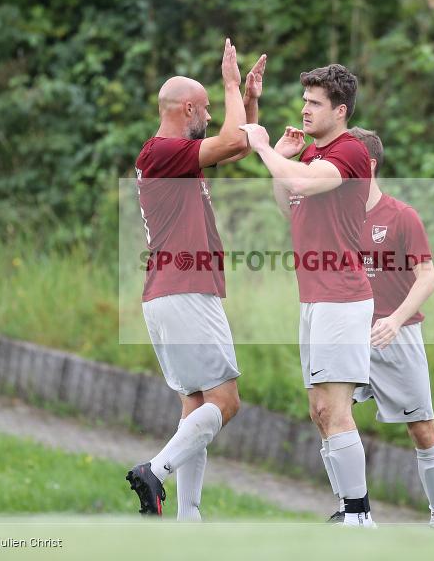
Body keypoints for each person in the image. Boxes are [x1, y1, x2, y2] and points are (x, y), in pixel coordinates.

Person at [126, 38, 267, 520]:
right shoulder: (163, 150)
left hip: (168, 293)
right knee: (225, 402)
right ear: (187, 108)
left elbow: (236, 148)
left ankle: (188, 520)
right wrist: (229, 83)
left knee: (195, 407)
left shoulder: (175, 154)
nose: (209, 117)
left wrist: (246, 101)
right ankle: (155, 472)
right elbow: (229, 141)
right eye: (205, 110)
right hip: (185, 291)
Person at [239, 64, 376, 527]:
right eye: (305, 100)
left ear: (339, 111)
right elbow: (290, 202)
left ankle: (360, 516)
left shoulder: (350, 151)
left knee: (334, 410)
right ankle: (347, 509)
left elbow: (300, 182)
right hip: (316, 298)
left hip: (342, 296)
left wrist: (262, 149)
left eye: (315, 103)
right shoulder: (317, 157)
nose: (304, 108)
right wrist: (279, 156)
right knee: (320, 411)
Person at [347, 126, 434, 527]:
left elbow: (428, 277)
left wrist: (394, 319)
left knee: (422, 429)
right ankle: (354, 512)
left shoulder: (402, 216)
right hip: (350, 335)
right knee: (327, 411)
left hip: (397, 337)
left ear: (368, 164)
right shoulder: (336, 216)